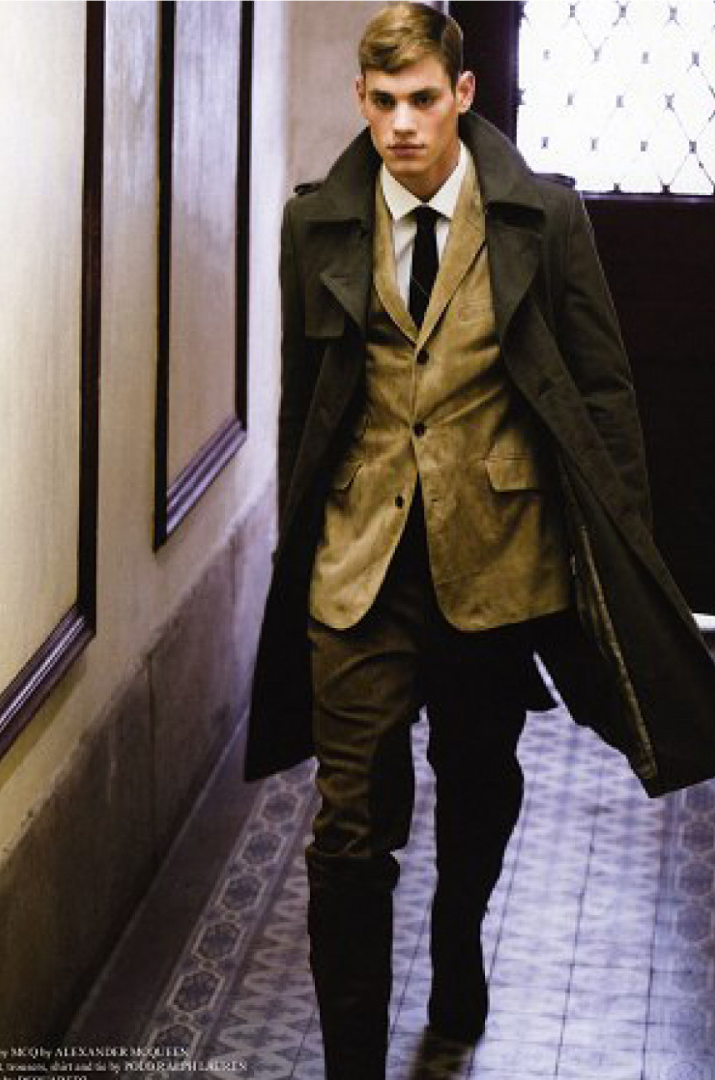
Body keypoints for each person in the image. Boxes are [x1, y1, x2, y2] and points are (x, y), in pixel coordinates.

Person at [245, 5, 715, 1078]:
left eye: (422, 99)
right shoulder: (316, 223)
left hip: (497, 561)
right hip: (357, 565)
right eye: (382, 103)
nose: (402, 124)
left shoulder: (542, 217)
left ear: (461, 94)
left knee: (477, 778)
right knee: (346, 830)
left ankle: (457, 933)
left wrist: (619, 557)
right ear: (360, 101)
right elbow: (305, 407)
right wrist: (298, 546)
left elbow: (602, 391)